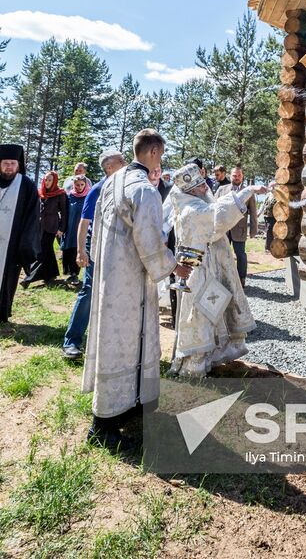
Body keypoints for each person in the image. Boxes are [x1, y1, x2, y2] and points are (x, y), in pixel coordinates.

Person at [82, 129, 190, 451]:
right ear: (155, 151)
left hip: (109, 278)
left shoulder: (113, 181)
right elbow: (150, 243)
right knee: (124, 346)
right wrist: (174, 266)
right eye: (163, 153)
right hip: (130, 282)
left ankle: (131, 404)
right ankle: (103, 425)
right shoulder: (145, 190)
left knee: (121, 343)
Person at [168, 162, 264, 378]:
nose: (205, 188)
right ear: (191, 190)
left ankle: (210, 358)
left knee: (213, 314)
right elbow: (216, 216)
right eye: (201, 186)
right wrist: (248, 191)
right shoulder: (191, 209)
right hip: (197, 272)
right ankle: (195, 366)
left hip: (208, 267)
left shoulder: (194, 203)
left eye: (204, 183)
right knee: (200, 317)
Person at [62, 150, 126, 360]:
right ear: (109, 167)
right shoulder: (97, 190)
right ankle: (71, 342)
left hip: (116, 246)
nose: (126, 164)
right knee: (89, 290)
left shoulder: (123, 187)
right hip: (95, 244)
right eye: (121, 162)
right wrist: (81, 251)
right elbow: (84, 223)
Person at [0, 144, 40, 323]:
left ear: (19, 165)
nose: (9, 167)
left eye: (13, 163)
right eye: (6, 163)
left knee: (6, 280)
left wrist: (25, 244)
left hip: (12, 244)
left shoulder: (26, 185)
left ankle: (1, 313)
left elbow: (33, 217)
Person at [22, 170, 68, 288]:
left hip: (52, 227)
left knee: (41, 251)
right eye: (45, 179)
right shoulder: (40, 193)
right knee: (48, 251)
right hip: (39, 227)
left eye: (50, 180)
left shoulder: (60, 194)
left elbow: (64, 213)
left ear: (54, 181)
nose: (47, 182)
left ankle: (28, 278)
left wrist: (62, 228)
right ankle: (50, 274)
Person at [217, 166, 258, 288]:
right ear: (230, 176)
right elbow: (214, 208)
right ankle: (222, 278)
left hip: (239, 230)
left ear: (242, 176)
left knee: (240, 255)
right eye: (234, 175)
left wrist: (253, 230)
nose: (237, 177)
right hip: (224, 229)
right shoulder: (221, 190)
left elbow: (253, 212)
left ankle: (241, 279)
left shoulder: (248, 192)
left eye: (239, 175)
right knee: (221, 254)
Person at [62, 176, 90, 287]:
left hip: (82, 229)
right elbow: (64, 213)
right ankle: (69, 274)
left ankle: (75, 274)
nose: (79, 187)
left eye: (82, 185)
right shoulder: (69, 196)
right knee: (67, 250)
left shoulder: (88, 197)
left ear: (85, 184)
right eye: (77, 185)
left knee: (76, 249)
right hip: (69, 228)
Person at [260, 181, 277, 253]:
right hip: (267, 216)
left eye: (274, 186)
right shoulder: (268, 195)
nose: (272, 188)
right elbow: (263, 205)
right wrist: (258, 213)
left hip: (275, 217)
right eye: (271, 186)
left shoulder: (278, 195)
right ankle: (268, 248)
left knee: (271, 231)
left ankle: (271, 248)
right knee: (268, 231)